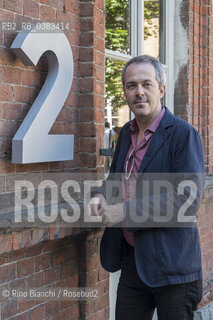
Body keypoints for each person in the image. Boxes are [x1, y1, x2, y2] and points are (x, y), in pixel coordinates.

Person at [89, 55, 205, 320]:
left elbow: (187, 200)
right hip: (133, 262)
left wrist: (125, 212)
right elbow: (116, 181)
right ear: (126, 93)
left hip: (173, 267)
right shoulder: (126, 135)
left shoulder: (183, 135)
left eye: (146, 84)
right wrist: (100, 196)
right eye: (131, 86)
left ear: (161, 89)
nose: (139, 92)